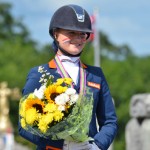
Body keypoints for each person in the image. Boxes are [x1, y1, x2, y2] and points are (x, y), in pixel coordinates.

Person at [18, 4, 118, 150]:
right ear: (55, 34)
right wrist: (61, 144)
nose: (78, 38)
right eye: (71, 33)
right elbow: (23, 126)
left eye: (82, 34)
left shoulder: (96, 75)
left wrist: (97, 145)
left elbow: (110, 121)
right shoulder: (39, 73)